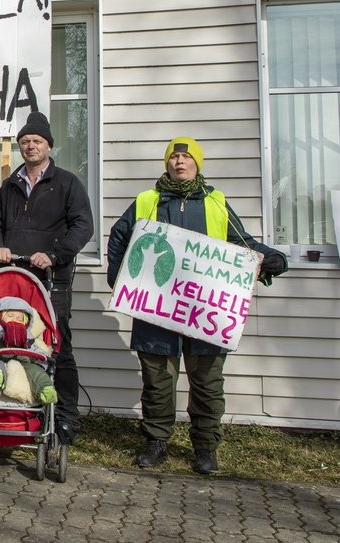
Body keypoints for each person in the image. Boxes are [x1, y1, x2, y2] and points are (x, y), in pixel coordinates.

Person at [106, 136, 288, 475]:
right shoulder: (148, 200)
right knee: (158, 380)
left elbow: (239, 243)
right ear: (166, 164)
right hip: (156, 309)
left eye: (186, 158)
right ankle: (156, 441)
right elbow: (119, 236)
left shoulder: (216, 202)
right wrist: (120, 279)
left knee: (207, 382)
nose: (179, 163)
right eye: (174, 158)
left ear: (197, 164)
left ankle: (205, 448)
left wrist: (270, 259)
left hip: (205, 313)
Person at [0, 111, 93, 445]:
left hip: (51, 279)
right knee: (10, 344)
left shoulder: (67, 183)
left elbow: (82, 226)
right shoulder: (10, 185)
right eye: (25, 141)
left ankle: (65, 419)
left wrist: (55, 254)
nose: (31, 146)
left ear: (48, 146)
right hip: (14, 278)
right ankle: (15, 413)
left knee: (57, 347)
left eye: (37, 141)